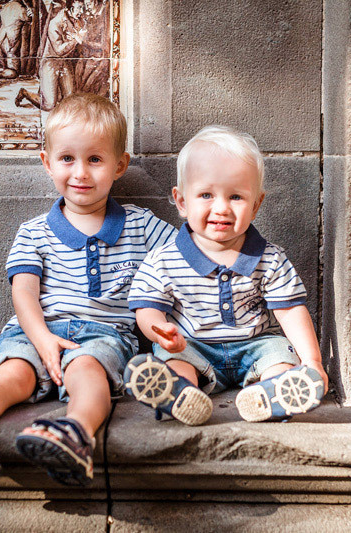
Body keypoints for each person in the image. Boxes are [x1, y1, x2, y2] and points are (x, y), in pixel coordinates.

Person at [0, 93, 177, 486]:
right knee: (12, 375)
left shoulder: (144, 226)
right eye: (67, 158)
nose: (81, 172)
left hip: (104, 334)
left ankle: (74, 433)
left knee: (90, 374)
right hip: (34, 330)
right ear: (47, 163)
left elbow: (185, 257)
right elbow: (23, 292)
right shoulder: (34, 231)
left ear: (119, 165)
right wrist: (41, 340)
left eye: (95, 159)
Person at [125, 125, 328, 426]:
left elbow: (290, 310)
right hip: (193, 346)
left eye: (236, 197)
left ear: (256, 205)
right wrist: (160, 331)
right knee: (176, 363)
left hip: (256, 344)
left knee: (280, 359)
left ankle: (272, 395)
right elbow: (147, 307)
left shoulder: (269, 258)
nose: (221, 208)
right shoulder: (164, 258)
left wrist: (312, 361)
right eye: (206, 194)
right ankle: (179, 395)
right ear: (181, 201)